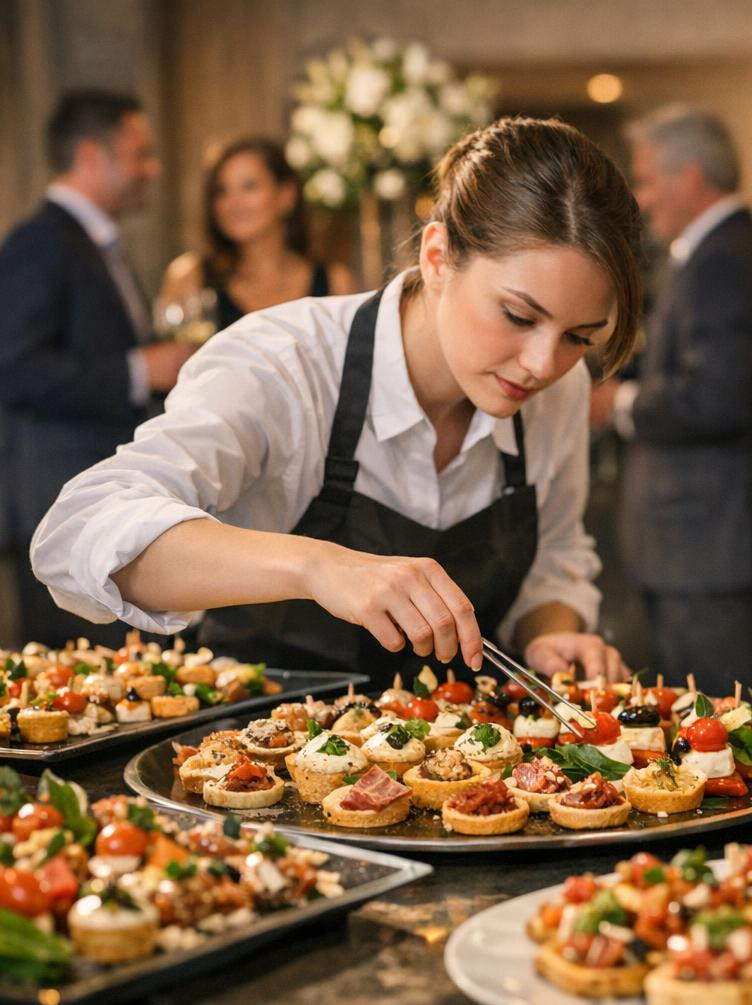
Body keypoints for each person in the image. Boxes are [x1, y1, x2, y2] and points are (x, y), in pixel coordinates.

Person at [32, 116, 642, 682]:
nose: (542, 364)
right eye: (517, 315)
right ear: (437, 257)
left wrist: (551, 634)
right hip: (252, 758)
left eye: (578, 338)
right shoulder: (283, 362)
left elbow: (556, 552)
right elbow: (80, 530)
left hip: (461, 767)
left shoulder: (557, 392)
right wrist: (318, 567)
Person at [606, 104, 752, 699]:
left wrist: (618, 406)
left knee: (734, 730)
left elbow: (717, 399)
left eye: (648, 180)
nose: (642, 197)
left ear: (690, 176)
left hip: (715, 547)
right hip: (746, 535)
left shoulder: (724, 263)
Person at [0, 90, 191, 647]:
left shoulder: (93, 241)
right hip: (56, 504)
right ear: (91, 156)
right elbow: (14, 367)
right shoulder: (39, 242)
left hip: (96, 496)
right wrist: (138, 369)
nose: (152, 170)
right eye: (140, 154)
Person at [158, 137, 354, 333]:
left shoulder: (335, 283)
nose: (233, 203)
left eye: (249, 186)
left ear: (286, 195)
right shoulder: (189, 278)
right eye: (222, 191)